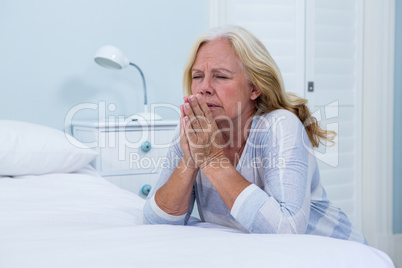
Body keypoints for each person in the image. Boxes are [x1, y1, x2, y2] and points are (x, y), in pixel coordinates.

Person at [143, 25, 366, 244]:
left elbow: (287, 231)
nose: (204, 87)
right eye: (198, 76)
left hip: (336, 252)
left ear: (254, 88)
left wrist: (212, 160)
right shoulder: (193, 131)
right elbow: (155, 223)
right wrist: (191, 159)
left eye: (220, 76)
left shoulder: (279, 126)